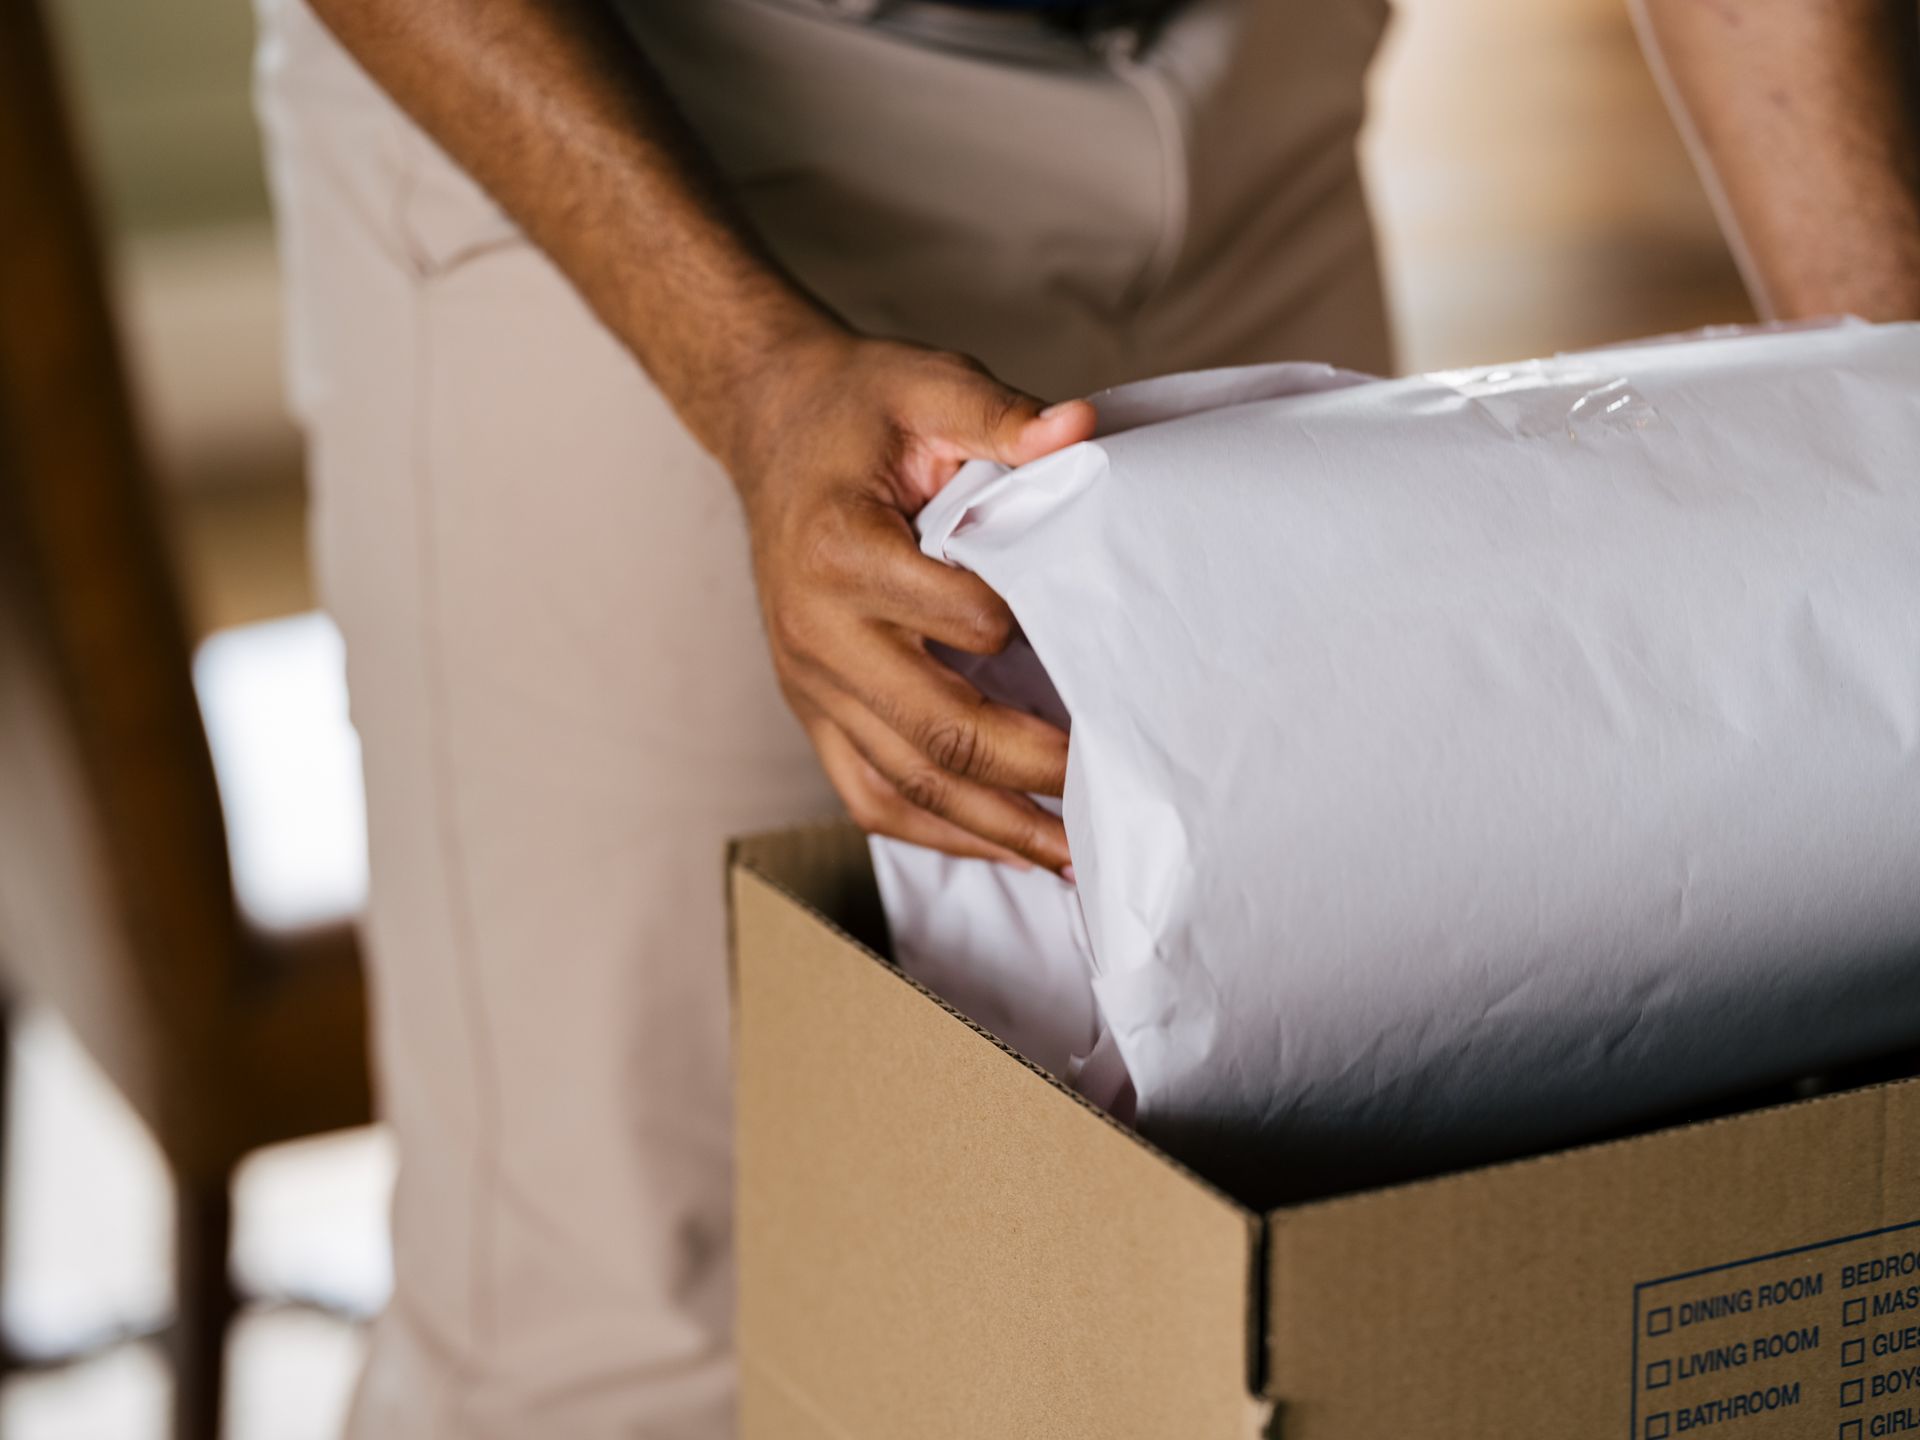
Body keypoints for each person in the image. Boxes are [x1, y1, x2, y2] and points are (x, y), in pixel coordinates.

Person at [249, 0, 1920, 1433]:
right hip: (673, 107)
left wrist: (1889, 425)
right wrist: (751, 374)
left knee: (1283, 1229)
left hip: (1255, 85)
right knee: (649, 1320)